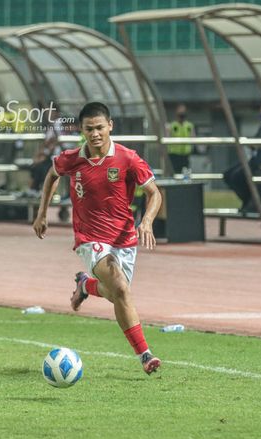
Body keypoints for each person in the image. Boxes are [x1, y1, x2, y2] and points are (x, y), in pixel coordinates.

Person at [33, 102, 163, 375]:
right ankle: (145, 355)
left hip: (124, 238)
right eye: (89, 129)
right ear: (81, 130)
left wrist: (147, 221)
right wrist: (42, 212)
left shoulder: (128, 158)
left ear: (110, 126)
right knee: (122, 289)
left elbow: (154, 193)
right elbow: (52, 175)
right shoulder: (72, 158)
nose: (95, 134)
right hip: (90, 237)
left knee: (116, 292)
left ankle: (85, 286)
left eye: (100, 128)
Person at [223, 101, 261, 211]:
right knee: (228, 175)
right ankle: (247, 199)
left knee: (237, 176)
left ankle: (250, 203)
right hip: (254, 160)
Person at [166, 103, 196, 175]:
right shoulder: (172, 125)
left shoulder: (189, 126)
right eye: (180, 112)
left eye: (183, 112)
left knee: (185, 174)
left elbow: (193, 137)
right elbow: (167, 138)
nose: (182, 114)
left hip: (185, 154)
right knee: (174, 174)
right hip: (174, 154)